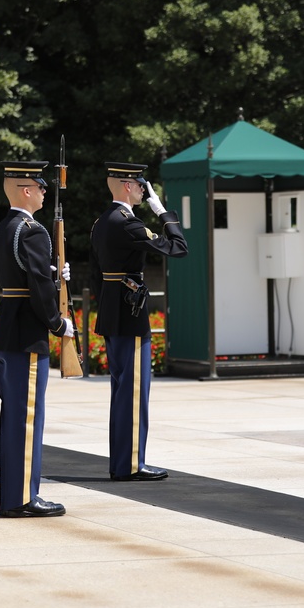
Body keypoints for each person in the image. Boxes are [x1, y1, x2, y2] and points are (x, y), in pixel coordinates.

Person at [0, 160, 73, 518]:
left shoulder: (4, 228)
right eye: (38, 186)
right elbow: (36, 286)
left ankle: (14, 496)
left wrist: (52, 273)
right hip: (27, 333)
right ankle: (22, 498)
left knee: (14, 417)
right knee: (26, 418)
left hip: (7, 326)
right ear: (25, 190)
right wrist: (57, 323)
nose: (43, 191)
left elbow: (25, 275)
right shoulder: (33, 230)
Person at [90, 162, 187, 481]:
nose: (144, 191)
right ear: (126, 186)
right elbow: (178, 248)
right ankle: (131, 465)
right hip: (130, 315)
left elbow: (95, 276)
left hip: (111, 311)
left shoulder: (101, 222)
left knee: (121, 391)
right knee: (133, 393)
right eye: (140, 185)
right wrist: (162, 211)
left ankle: (122, 462)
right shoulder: (127, 223)